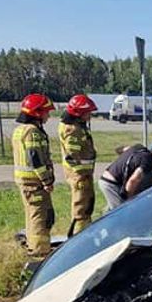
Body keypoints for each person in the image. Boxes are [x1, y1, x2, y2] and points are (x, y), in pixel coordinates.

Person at [13, 94, 56, 259]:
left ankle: (34, 246)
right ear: (37, 113)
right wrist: (47, 180)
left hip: (26, 182)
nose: (48, 116)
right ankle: (40, 252)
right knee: (40, 217)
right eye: (46, 112)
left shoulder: (20, 130)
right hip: (35, 182)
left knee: (32, 214)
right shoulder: (33, 132)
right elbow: (35, 158)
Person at [58, 94, 97, 236]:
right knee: (81, 208)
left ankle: (85, 233)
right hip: (80, 176)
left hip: (84, 175)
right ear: (78, 114)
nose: (90, 116)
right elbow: (72, 156)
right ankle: (79, 236)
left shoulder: (77, 126)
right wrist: (81, 174)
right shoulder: (73, 130)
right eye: (88, 113)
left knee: (87, 205)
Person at [99, 145, 152, 211]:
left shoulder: (139, 147)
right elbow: (133, 180)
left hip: (106, 178)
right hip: (111, 184)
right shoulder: (148, 162)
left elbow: (124, 149)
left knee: (112, 208)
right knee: (121, 212)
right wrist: (129, 199)